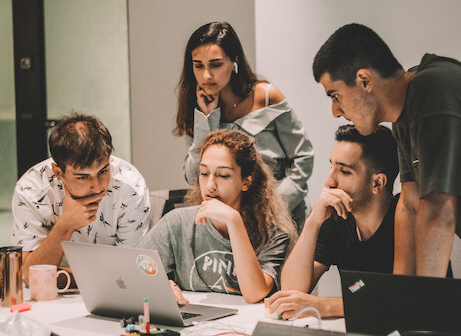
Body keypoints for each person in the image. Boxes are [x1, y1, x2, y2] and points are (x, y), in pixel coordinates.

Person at [312, 23, 461, 278]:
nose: (336, 111)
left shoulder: (432, 89)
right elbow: (409, 204)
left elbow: (438, 210)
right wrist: (398, 294)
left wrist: (423, 300)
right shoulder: (403, 117)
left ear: (365, 81)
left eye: (335, 95)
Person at [175, 21, 314, 232]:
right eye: (198, 65)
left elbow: (303, 158)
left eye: (216, 64)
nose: (206, 76)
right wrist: (207, 119)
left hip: (281, 219)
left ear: (234, 61)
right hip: (225, 221)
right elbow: (193, 176)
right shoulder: (197, 105)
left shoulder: (267, 96)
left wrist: (277, 205)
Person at [138, 129, 297, 304]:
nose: (211, 185)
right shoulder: (177, 222)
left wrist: (233, 221)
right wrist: (161, 286)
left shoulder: (272, 234)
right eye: (204, 173)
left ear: (246, 181)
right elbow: (133, 270)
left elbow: (254, 294)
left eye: (223, 175)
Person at [268, 124, 399, 319]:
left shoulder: (407, 217)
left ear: (377, 183)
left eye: (344, 172)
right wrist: (313, 222)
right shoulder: (336, 219)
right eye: (332, 167)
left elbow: (407, 299)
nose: (329, 181)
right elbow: (291, 290)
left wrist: (324, 306)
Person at [11, 113, 150, 283]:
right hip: (49, 296)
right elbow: (28, 275)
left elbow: (131, 271)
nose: (98, 186)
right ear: (58, 173)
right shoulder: (31, 189)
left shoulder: (130, 187)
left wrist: (60, 276)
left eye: (103, 171)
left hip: (114, 294)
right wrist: (66, 225)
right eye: (83, 177)